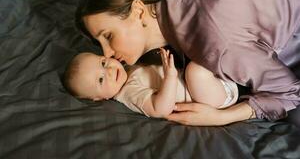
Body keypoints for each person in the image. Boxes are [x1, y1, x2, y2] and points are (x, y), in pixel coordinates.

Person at [75, 0, 300, 127]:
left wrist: (221, 117)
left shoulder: (219, 43)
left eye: (108, 36)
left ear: (138, 10)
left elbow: (288, 92)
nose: (107, 54)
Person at [64, 49, 239, 118]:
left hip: (211, 83)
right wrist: (170, 77)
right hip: (210, 97)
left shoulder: (128, 70)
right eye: (101, 80)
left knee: (201, 57)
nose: (109, 71)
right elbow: (159, 109)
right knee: (196, 70)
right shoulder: (127, 93)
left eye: (103, 63)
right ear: (98, 98)